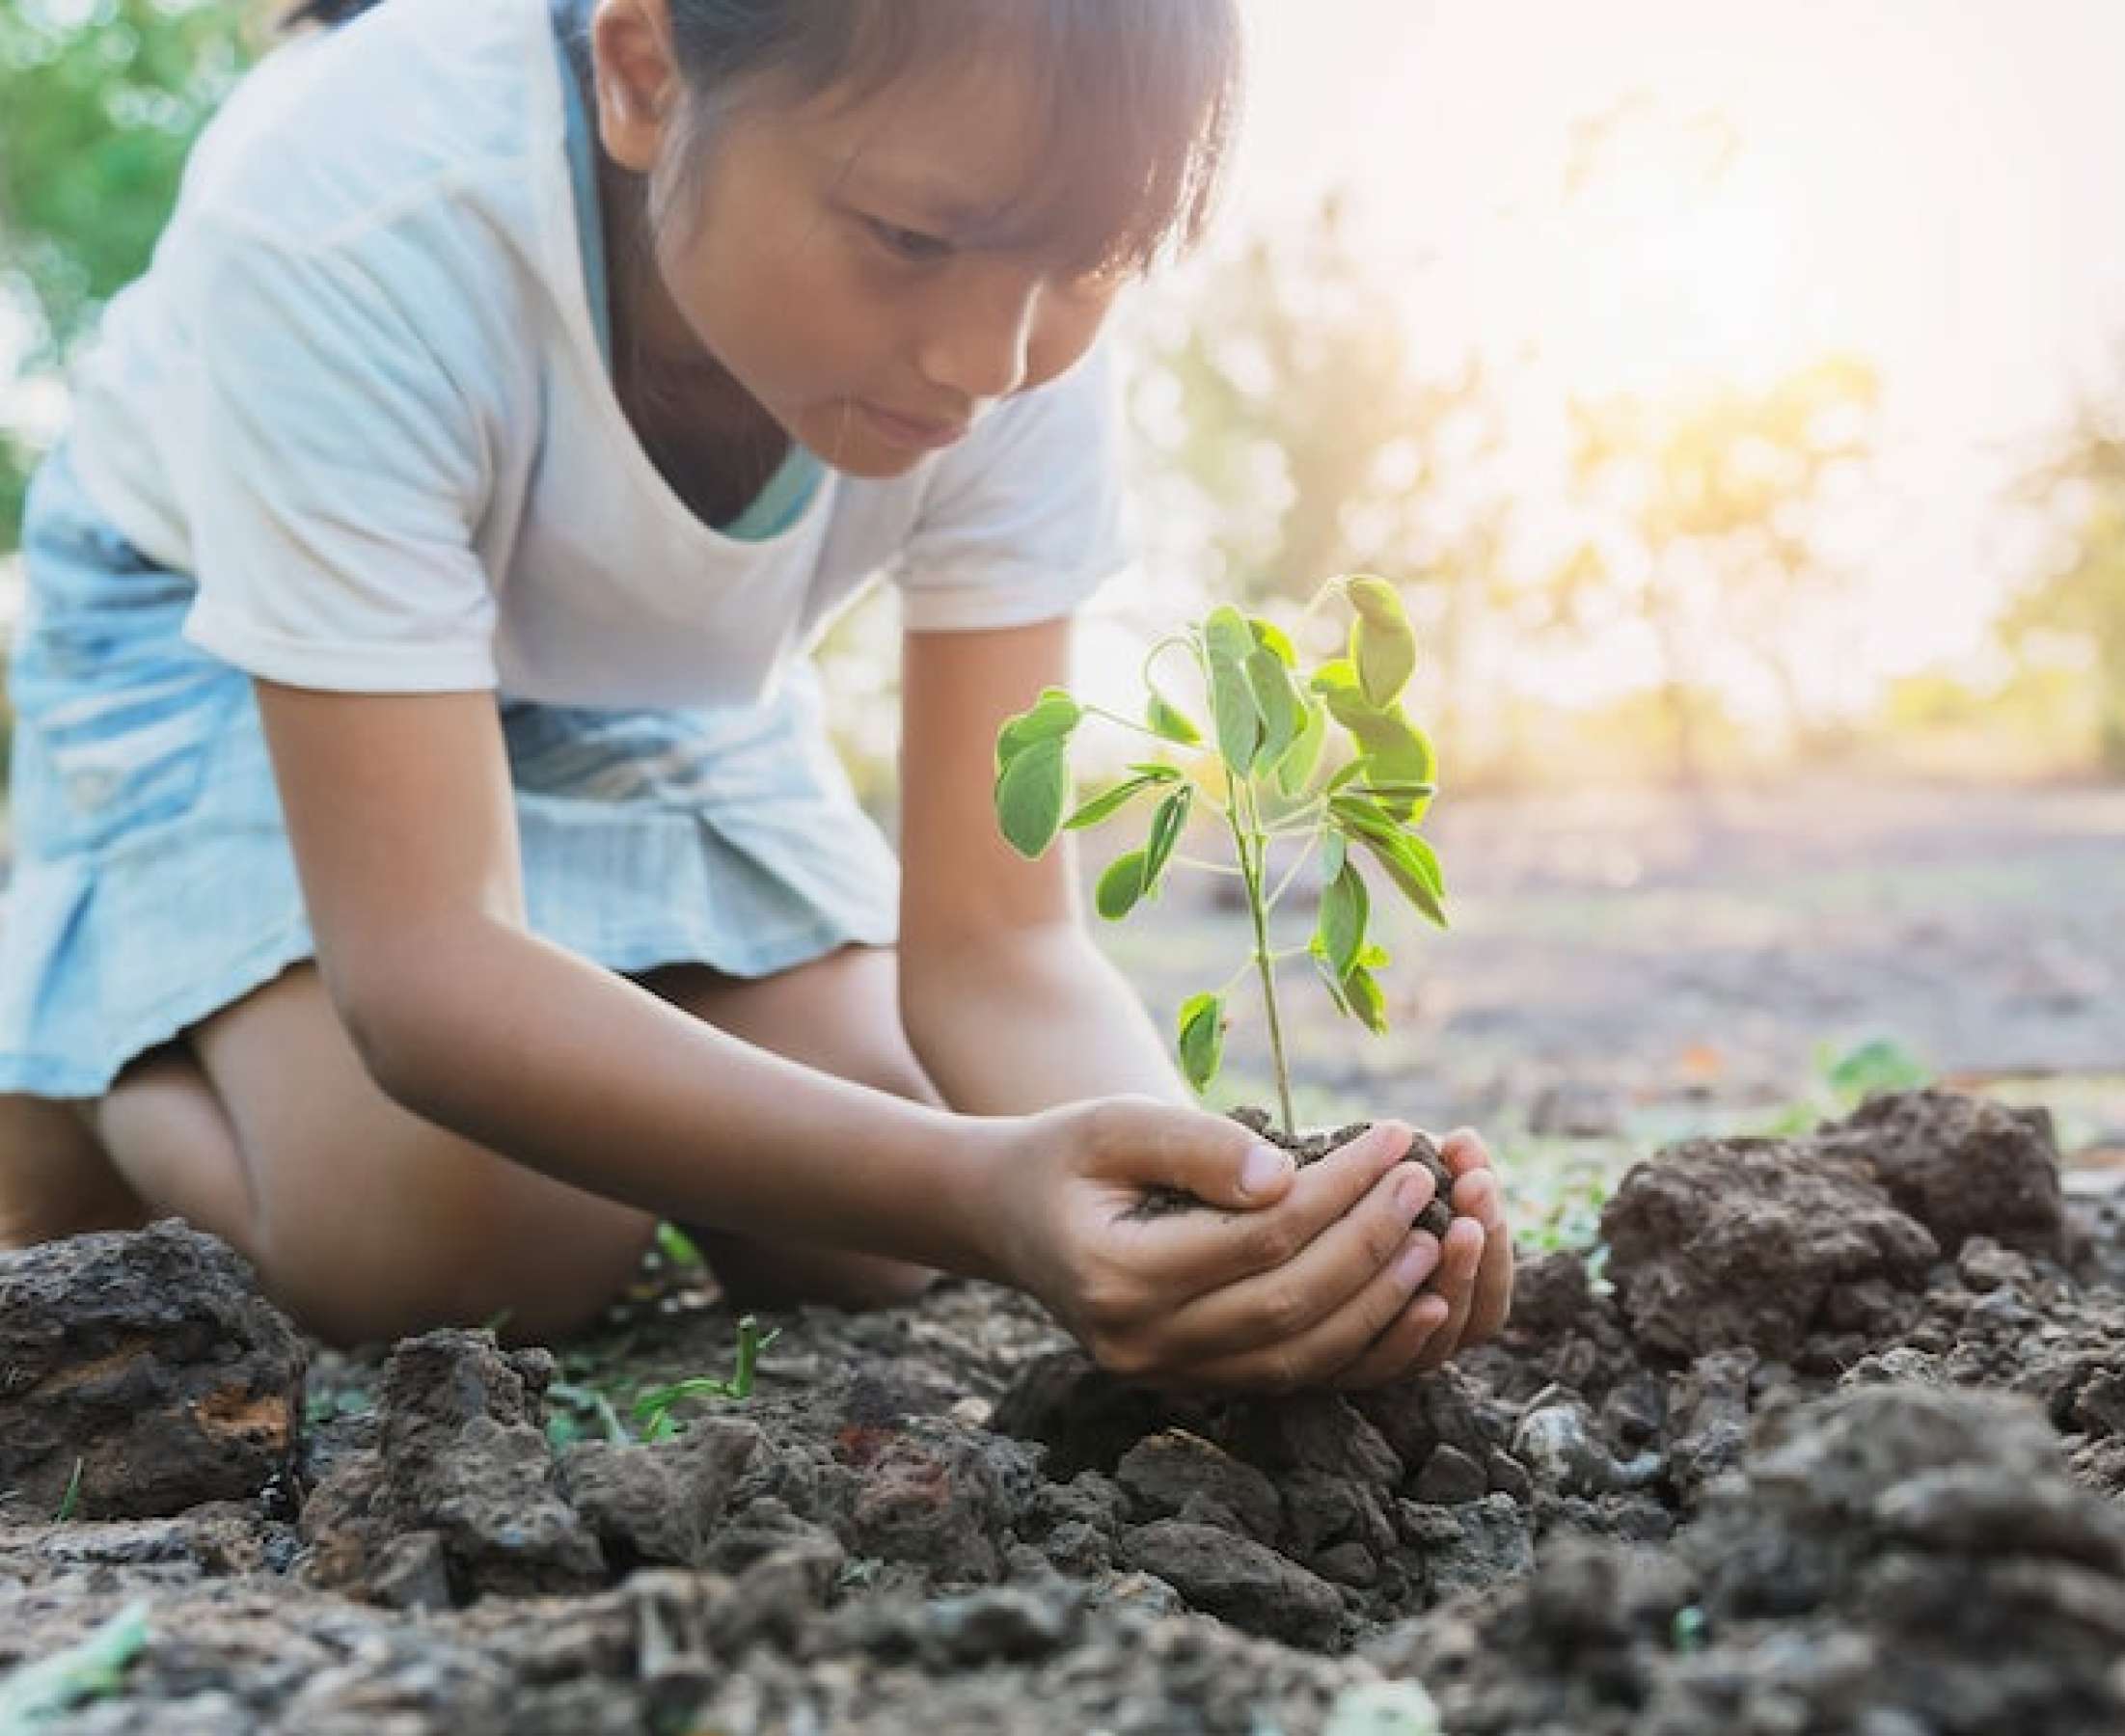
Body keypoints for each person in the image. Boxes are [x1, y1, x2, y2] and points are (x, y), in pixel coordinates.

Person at [0, 0, 1513, 1389]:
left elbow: (997, 955)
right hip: (215, 651)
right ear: (644, 70)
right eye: (913, 240)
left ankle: (471, 1028)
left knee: (870, 1221)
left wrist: (1244, 1217)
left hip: (638, 692)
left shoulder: (1013, 296)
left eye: (1085, 267)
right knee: (473, 1242)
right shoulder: (358, 210)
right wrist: (989, 1193)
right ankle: (93, 1048)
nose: (987, 361)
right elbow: (424, 974)